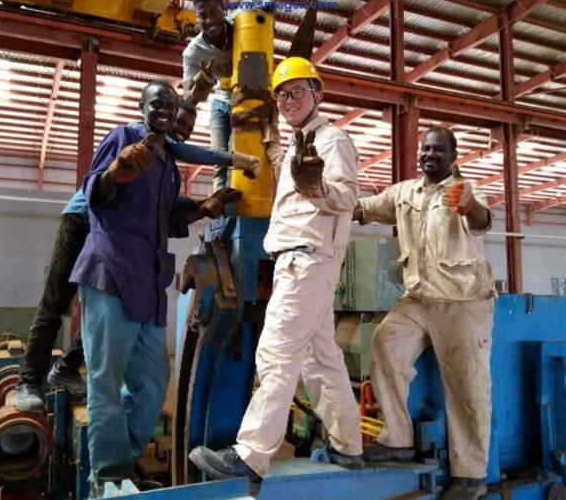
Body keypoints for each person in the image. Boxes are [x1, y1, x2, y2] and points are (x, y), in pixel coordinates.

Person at [13, 97, 259, 413]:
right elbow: (197, 155)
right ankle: (28, 382)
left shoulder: (167, 167)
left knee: (108, 307)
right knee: (56, 303)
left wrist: (205, 205)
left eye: (186, 126)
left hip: (118, 236)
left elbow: (163, 209)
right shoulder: (132, 136)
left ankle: (66, 367)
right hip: (83, 221)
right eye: (176, 120)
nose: (180, 129)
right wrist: (238, 159)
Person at [189, 57, 364, 495]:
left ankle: (250, 456)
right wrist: (267, 135)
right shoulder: (300, 144)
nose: (289, 99)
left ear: (318, 94)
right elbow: (284, 162)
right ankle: (349, 446)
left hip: (308, 258)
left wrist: (316, 187)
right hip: (299, 261)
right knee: (320, 358)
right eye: (283, 94)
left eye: (298, 91)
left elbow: (346, 198)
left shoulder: (332, 139)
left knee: (275, 353)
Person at [355, 127, 495, 500]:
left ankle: (471, 477)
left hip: (462, 301)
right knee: (385, 343)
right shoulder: (405, 193)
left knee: (468, 386)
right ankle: (397, 439)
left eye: (438, 149)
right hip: (418, 300)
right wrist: (321, 193)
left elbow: (481, 219)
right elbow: (364, 208)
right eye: (425, 148)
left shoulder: (465, 190)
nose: (429, 154)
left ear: (453, 156)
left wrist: (468, 205)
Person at [183, 0, 233, 191]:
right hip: (222, 102)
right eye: (203, 15)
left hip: (251, 101)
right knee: (219, 157)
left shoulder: (244, 26)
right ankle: (219, 205)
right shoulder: (193, 53)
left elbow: (263, 2)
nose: (210, 19)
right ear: (197, 19)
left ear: (224, 12)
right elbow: (188, 97)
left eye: (214, 12)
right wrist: (200, 85)